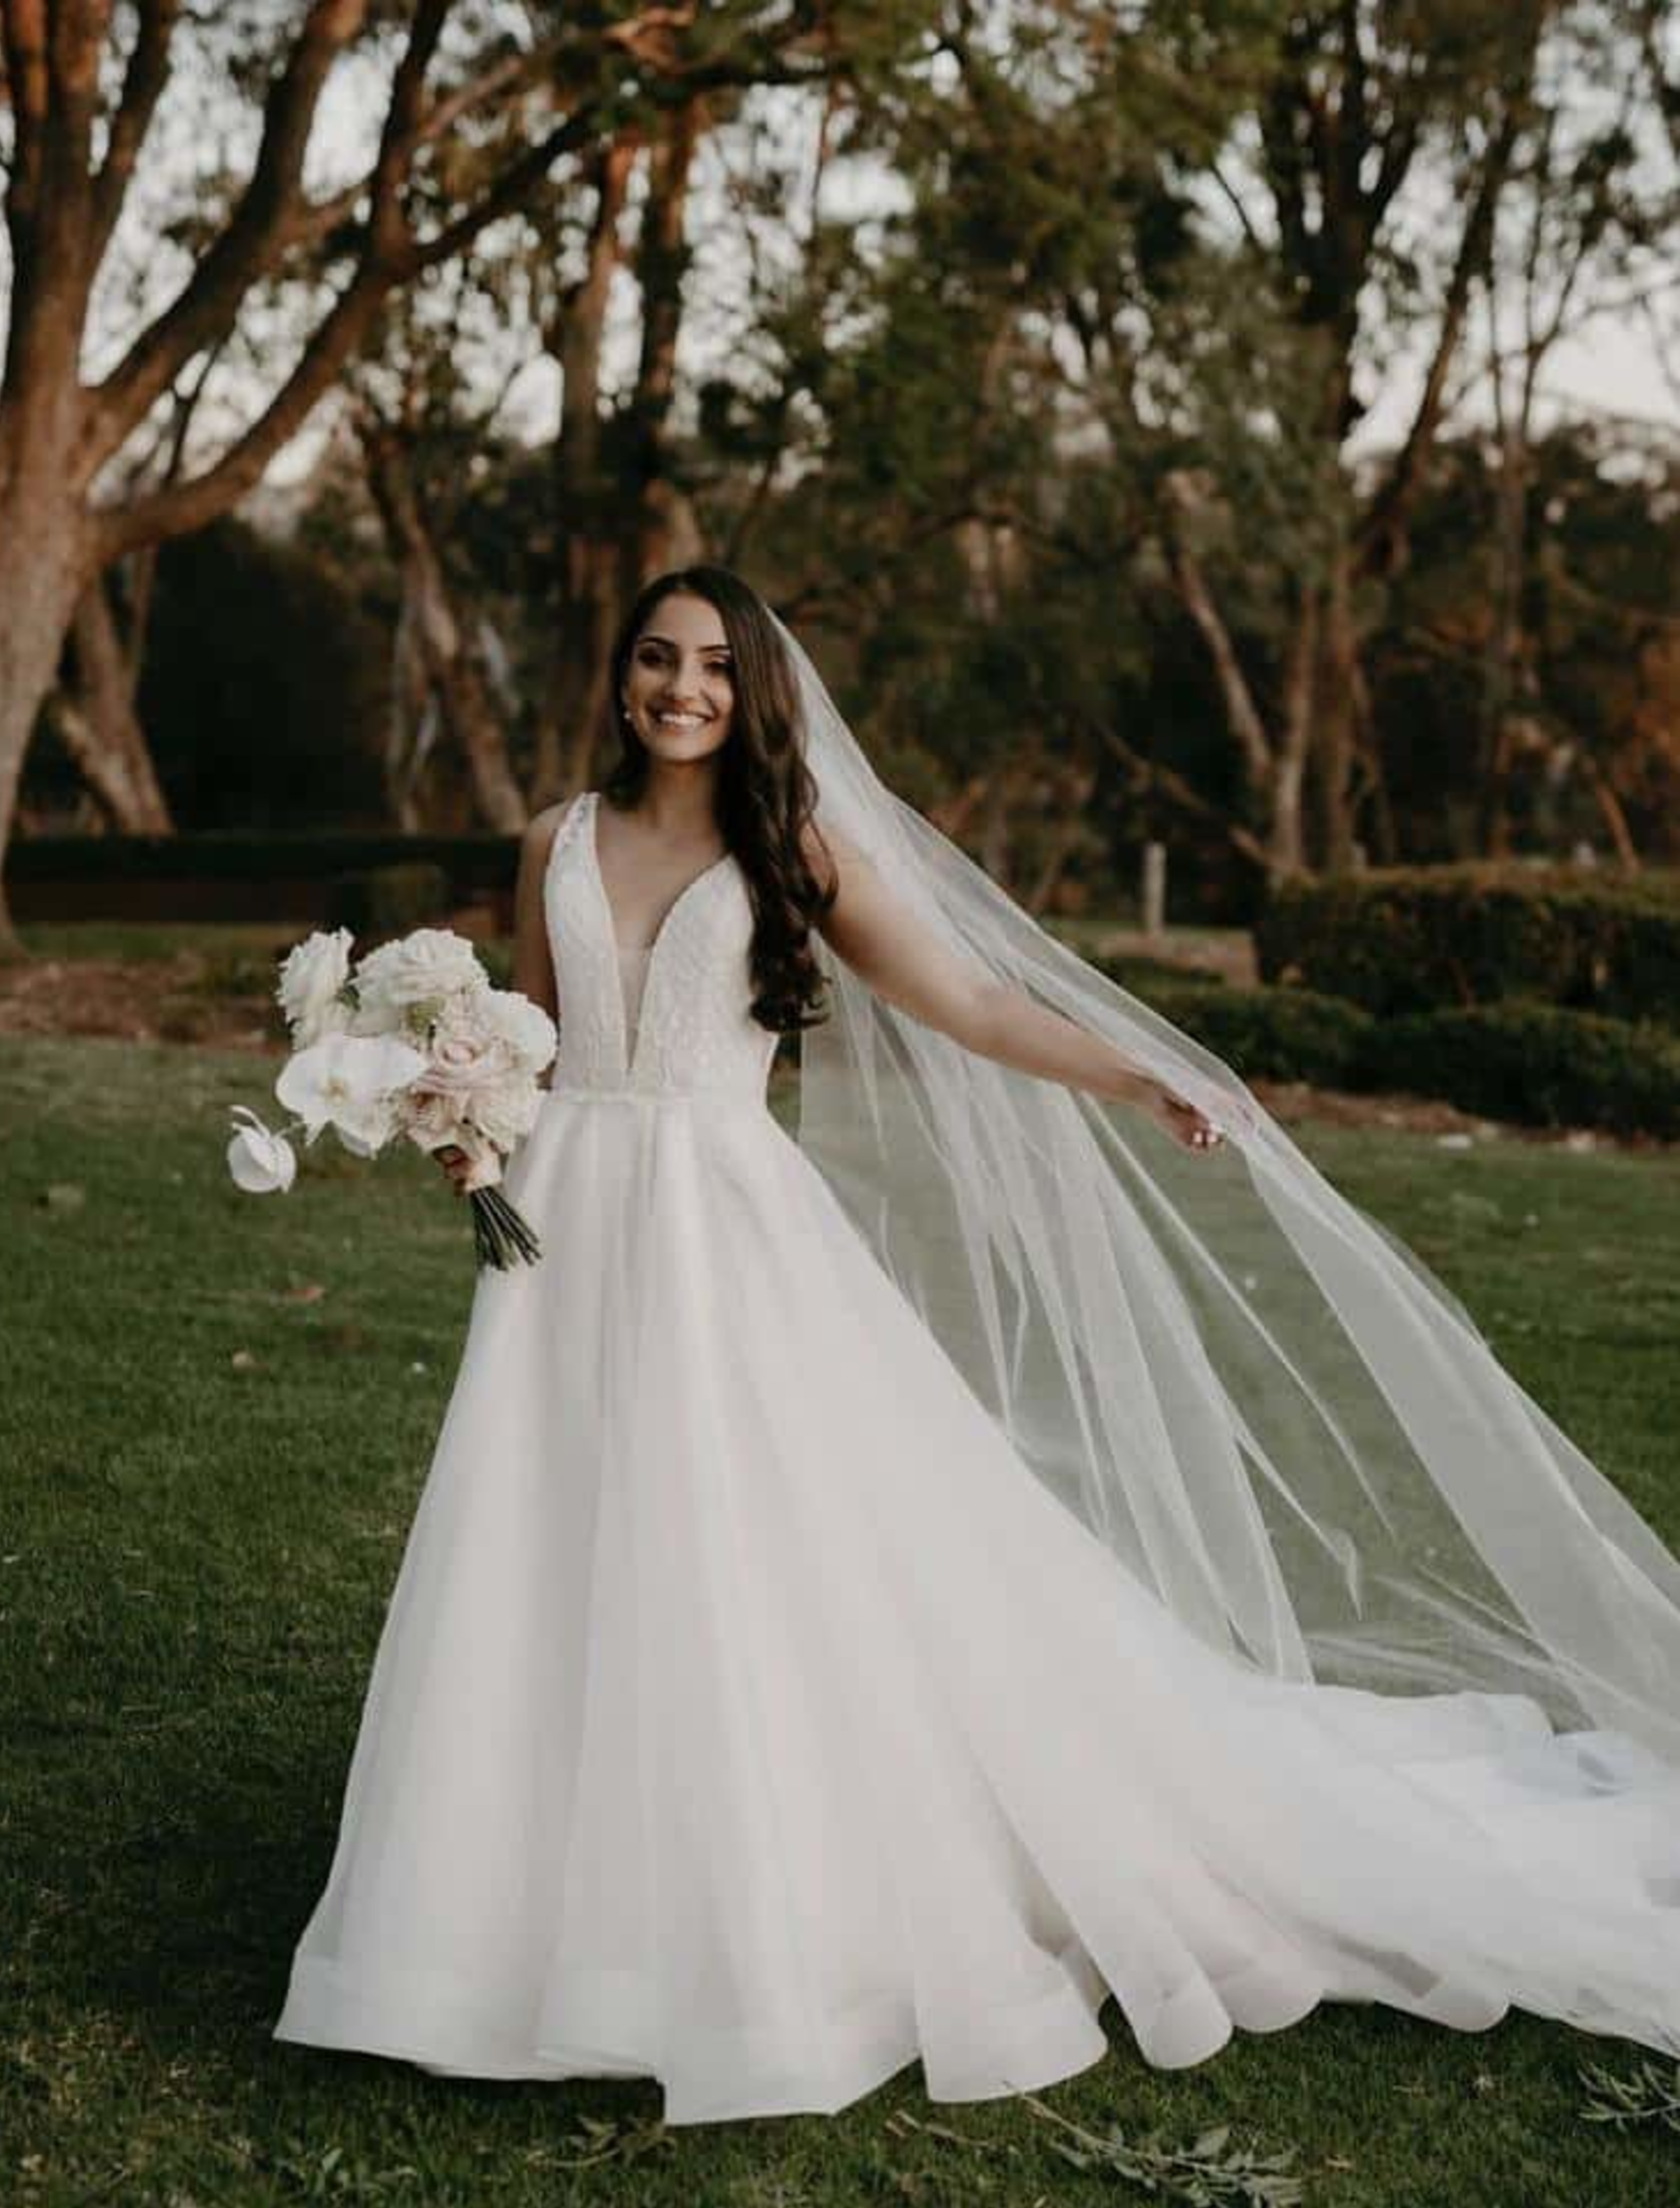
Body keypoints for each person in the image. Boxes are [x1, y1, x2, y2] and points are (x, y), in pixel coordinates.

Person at [273, 566, 1680, 2126]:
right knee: (546, 1534)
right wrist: (458, 1119)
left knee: (741, 1543)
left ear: (754, 696)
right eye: (659, 661)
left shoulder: (790, 846)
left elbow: (967, 1003)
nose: (684, 689)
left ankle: (761, 1898)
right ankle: (507, 1901)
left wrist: (1137, 1074)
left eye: (717, 670)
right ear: (619, 679)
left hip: (722, 1232)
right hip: (562, 1236)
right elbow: (528, 1045)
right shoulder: (554, 840)